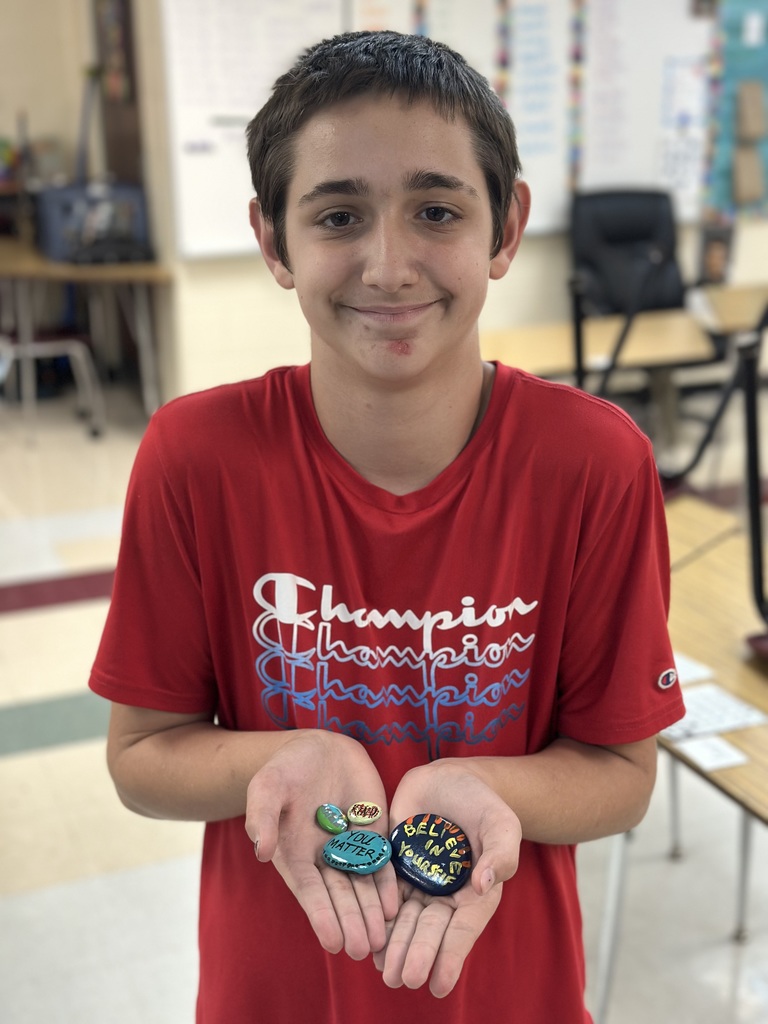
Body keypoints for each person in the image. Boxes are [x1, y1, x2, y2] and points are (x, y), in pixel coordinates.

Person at [89, 29, 684, 1023]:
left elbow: (620, 774)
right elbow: (142, 754)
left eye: (437, 210)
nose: (390, 263)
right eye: (338, 214)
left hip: (506, 992)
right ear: (274, 240)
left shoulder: (595, 464)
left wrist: (482, 784)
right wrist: (281, 761)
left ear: (506, 228)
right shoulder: (195, 458)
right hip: (273, 988)